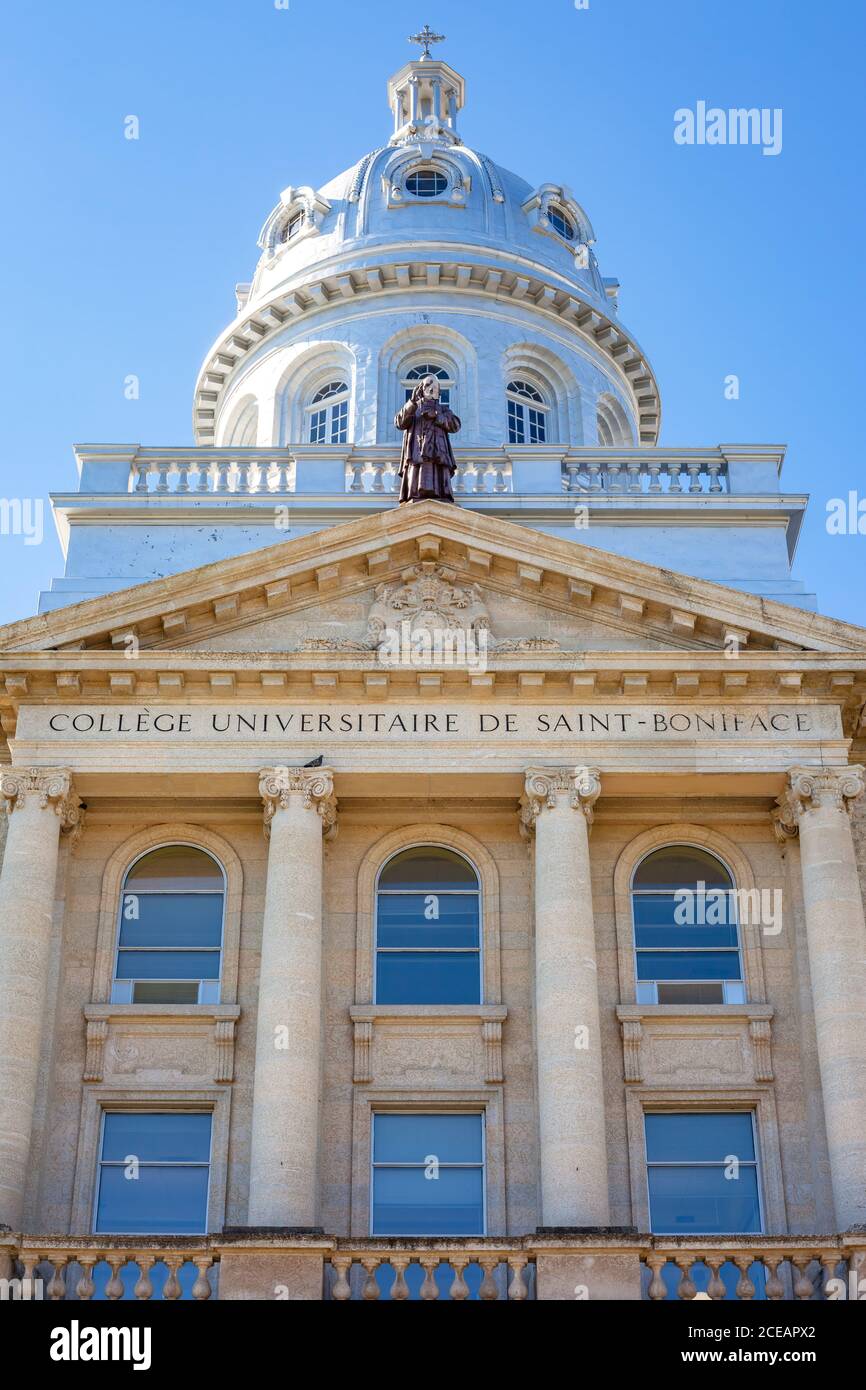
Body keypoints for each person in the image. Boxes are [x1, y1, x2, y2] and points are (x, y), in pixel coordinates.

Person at [394, 373, 461, 503]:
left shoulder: (443, 410)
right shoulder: (413, 408)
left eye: (435, 387)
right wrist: (412, 402)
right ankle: (414, 494)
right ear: (421, 389)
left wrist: (437, 416)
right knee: (417, 473)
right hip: (417, 451)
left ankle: (440, 494)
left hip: (438, 452)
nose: (431, 389)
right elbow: (399, 422)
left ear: (439, 392)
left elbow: (455, 425)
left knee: (438, 475)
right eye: (428, 385)